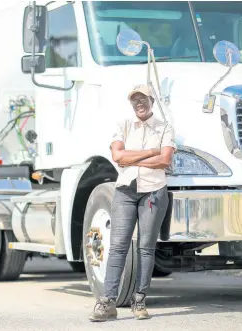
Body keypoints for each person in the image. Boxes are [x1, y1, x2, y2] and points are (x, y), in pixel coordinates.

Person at [89, 84, 176, 322]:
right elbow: (117, 156)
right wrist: (150, 153)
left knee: (146, 248)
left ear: (152, 102)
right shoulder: (123, 125)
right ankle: (107, 302)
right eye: (135, 100)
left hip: (154, 192)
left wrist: (133, 159)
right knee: (118, 247)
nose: (139, 103)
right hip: (126, 191)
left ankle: (140, 300)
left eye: (144, 99)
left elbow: (165, 160)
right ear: (131, 104)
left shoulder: (165, 127)